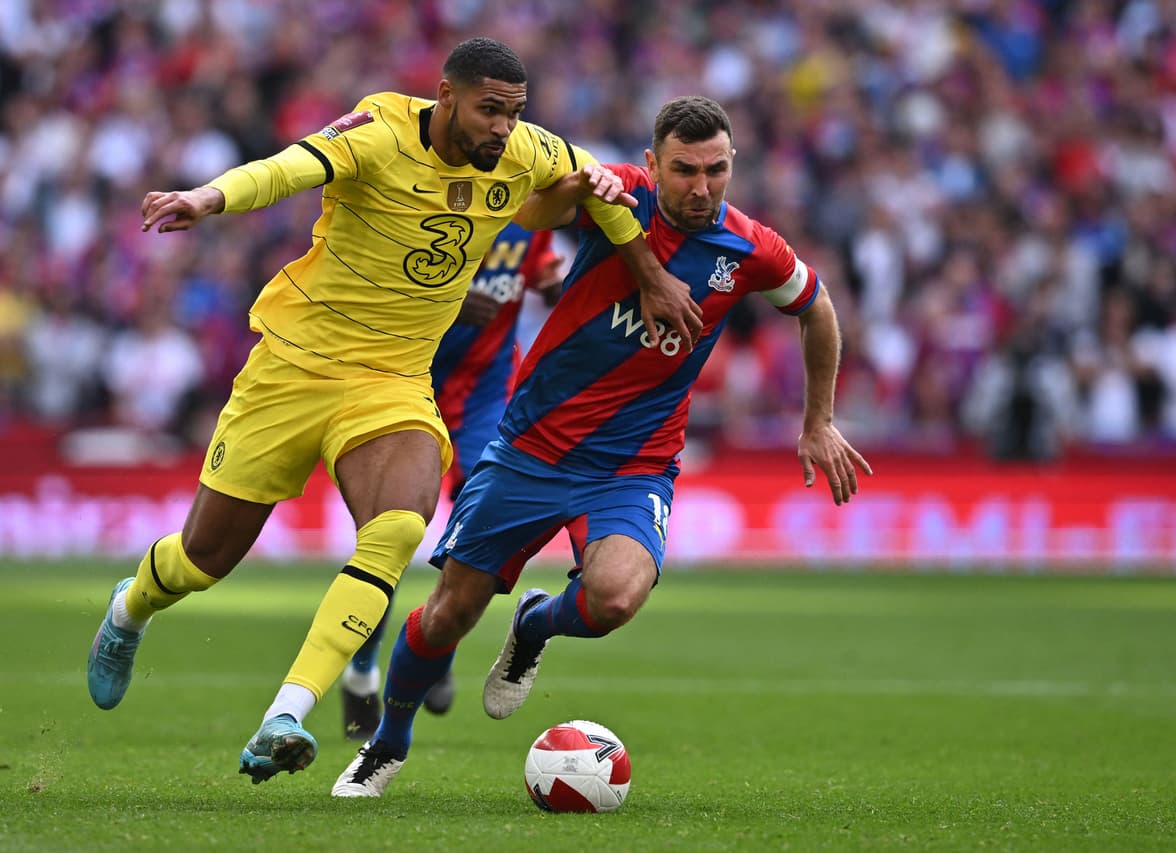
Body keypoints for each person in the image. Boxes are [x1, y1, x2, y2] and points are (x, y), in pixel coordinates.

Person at [84, 37, 704, 786]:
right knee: (202, 559)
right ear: (446, 97)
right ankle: (131, 607)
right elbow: (287, 168)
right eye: (489, 111)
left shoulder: (527, 150)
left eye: (514, 113)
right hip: (290, 367)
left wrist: (647, 274)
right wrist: (207, 198)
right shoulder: (376, 133)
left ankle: (287, 712)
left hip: (391, 380)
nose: (504, 128)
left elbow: (602, 197)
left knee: (401, 526)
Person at [331, 95, 872, 798]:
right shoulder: (620, 195)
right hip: (530, 448)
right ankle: (386, 743)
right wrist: (579, 186)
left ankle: (535, 622)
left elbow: (817, 306)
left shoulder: (750, 248)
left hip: (633, 464)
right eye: (684, 170)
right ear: (654, 163)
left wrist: (818, 420)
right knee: (448, 614)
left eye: (715, 170)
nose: (700, 186)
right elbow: (532, 215)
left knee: (614, 598)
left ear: (733, 165)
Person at [340, 222, 563, 740]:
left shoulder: (532, 216)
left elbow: (550, 281)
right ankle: (361, 670)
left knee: (478, 536)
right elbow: (373, 287)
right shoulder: (430, 203)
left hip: (485, 397)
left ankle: (437, 649)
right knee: (389, 538)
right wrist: (452, 303)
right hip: (403, 383)